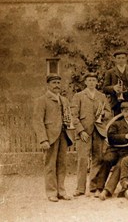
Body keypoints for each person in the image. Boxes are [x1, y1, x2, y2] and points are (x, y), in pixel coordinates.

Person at [32, 74, 75, 202]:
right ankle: (51, 192)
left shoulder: (64, 100)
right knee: (50, 164)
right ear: (48, 85)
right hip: (50, 136)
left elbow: (68, 117)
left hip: (63, 135)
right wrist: (43, 139)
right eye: (54, 83)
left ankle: (61, 191)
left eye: (58, 82)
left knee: (62, 164)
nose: (56, 85)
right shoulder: (41, 100)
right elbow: (37, 121)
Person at [72, 72, 112, 197]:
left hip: (99, 131)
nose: (91, 82)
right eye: (89, 80)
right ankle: (80, 188)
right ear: (85, 82)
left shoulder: (102, 96)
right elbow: (74, 116)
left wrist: (103, 114)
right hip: (84, 132)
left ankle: (93, 187)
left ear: (97, 82)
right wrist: (80, 131)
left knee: (98, 159)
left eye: (93, 80)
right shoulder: (78, 96)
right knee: (83, 159)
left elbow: (108, 112)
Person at [97, 101, 128, 200]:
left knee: (119, 165)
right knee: (106, 160)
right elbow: (111, 137)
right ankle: (99, 187)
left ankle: (107, 190)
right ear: (122, 112)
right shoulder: (116, 123)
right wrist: (126, 136)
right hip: (115, 149)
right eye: (126, 112)